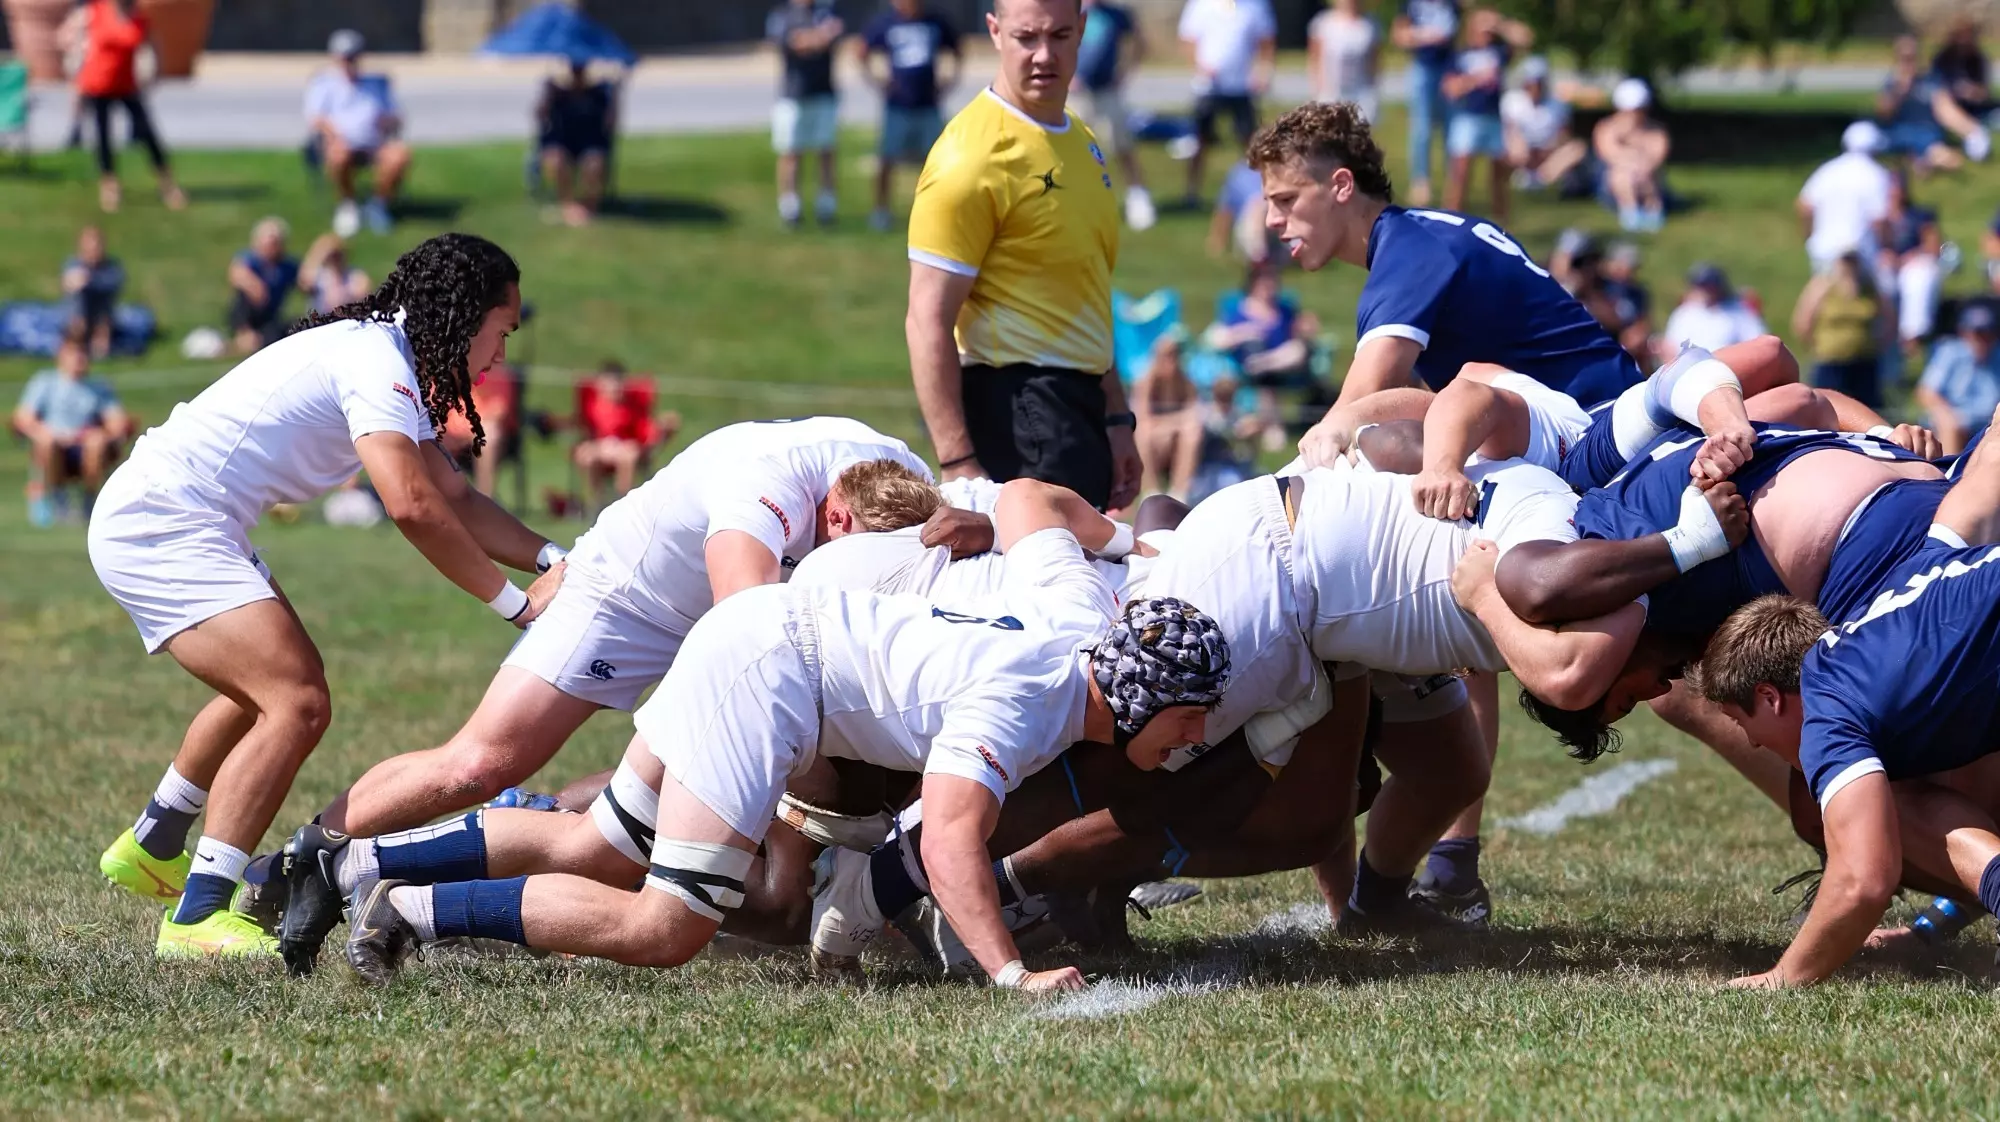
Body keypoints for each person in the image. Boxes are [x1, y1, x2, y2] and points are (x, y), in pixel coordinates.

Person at [286, 481, 1226, 991]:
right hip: (770, 673)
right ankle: (411, 910)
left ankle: (363, 866)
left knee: (600, 841)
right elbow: (945, 839)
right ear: (1149, 700)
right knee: (667, 926)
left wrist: (1117, 541)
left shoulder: (1077, 620)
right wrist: (1011, 975)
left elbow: (1028, 495)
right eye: (1193, 724)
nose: (1193, 745)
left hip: (768, 633)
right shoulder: (1031, 704)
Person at [87, 233, 566, 958]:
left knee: (266, 686)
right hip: (164, 519)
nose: (500, 353)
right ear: (467, 316)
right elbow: (409, 504)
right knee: (297, 700)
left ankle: (155, 842)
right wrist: (518, 607)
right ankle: (196, 918)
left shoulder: (385, 355)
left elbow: (452, 498)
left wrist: (556, 559)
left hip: (182, 513)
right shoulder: (377, 363)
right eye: (503, 330)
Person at [1690, 428, 2000, 987]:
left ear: (1769, 696)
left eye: (1745, 725)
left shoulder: (1830, 703)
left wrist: (1783, 977)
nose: (1757, 744)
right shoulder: (1899, 592)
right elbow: (1980, 487)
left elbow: (1863, 879)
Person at [1252, 101, 1657, 469]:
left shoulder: (1411, 251)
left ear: (1342, 185)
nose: (1271, 219)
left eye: (1286, 200)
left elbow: (1354, 407)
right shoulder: (1428, 233)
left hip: (1606, 442)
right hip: (1607, 430)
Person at [907, 0, 1141, 513]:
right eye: (1026, 37)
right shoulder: (970, 157)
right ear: (994, 32)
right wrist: (958, 462)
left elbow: (1084, 289)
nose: (1043, 55)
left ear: (1082, 30)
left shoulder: (1079, 139)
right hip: (1019, 413)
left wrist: (1117, 418)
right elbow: (926, 316)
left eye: (1059, 35)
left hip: (1080, 408)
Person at [62, 0, 184, 214]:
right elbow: (65, 34)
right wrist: (75, 51)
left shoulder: (139, 18)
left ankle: (167, 184)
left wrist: (155, 72)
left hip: (126, 85)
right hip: (96, 84)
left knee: (147, 133)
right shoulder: (95, 12)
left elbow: (153, 43)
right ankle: (110, 186)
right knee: (103, 137)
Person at [861, 0, 962, 232]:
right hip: (897, 105)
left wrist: (949, 81)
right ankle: (881, 211)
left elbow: (957, 50)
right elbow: (862, 50)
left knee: (935, 162)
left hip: (928, 104)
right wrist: (878, 81)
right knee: (887, 158)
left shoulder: (935, 21)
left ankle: (935, 211)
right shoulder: (886, 22)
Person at [14, 321, 128, 527]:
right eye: (74, 352)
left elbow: (117, 421)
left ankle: (90, 501)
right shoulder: (45, 382)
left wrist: (99, 434)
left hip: (86, 446)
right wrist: (45, 432)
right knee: (47, 441)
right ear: (62, 354)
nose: (79, 359)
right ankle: (59, 499)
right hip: (54, 445)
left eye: (83, 353)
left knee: (96, 441)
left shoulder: (99, 386)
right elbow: (24, 417)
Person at [304, 30, 410, 238]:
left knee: (399, 155)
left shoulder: (377, 84)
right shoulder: (324, 84)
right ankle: (348, 205)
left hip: (374, 143)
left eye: (353, 55)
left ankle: (378, 205)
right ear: (335, 57)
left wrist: (387, 122)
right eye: (345, 56)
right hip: (341, 143)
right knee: (338, 155)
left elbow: (396, 116)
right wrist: (335, 135)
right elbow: (316, 118)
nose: (349, 61)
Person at [1205, 261, 1320, 449]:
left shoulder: (1285, 310)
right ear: (1253, 284)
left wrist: (1306, 328)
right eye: (1264, 282)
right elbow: (1217, 337)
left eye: (1272, 281)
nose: (1269, 287)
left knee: (1295, 352)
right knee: (1264, 375)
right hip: (1244, 363)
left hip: (1278, 362)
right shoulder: (1237, 309)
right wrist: (1245, 332)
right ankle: (1270, 425)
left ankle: (1263, 365)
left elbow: (1299, 335)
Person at [1177, 0, 1276, 205]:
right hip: (1208, 86)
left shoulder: (1256, 6)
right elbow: (1188, 40)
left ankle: (1259, 189)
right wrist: (1200, 66)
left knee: (1250, 140)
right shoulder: (1200, 5)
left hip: (1241, 85)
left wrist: (1263, 72)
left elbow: (1266, 41)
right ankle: (1192, 192)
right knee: (1200, 139)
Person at [1440, 9, 1530, 222]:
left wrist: (1500, 24)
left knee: (1499, 177)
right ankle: (1451, 220)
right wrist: (1476, 79)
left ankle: (1503, 225)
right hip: (1467, 118)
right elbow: (1450, 89)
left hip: (1493, 119)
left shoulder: (1498, 53)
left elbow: (1525, 39)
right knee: (1460, 175)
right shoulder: (1460, 55)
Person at [1076, 0, 1155, 230]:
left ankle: (1138, 197)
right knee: (1073, 147)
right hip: (1075, 93)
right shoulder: (1070, 10)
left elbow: (1139, 44)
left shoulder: (1117, 15)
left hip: (1107, 91)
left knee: (1122, 146)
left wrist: (1125, 72)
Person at [768, 0, 845, 229]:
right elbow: (792, 43)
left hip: (824, 92)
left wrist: (812, 38)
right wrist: (818, 38)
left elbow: (835, 35)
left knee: (826, 150)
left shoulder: (826, 10)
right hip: (794, 94)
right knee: (791, 152)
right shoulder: (783, 14)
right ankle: (790, 207)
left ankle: (826, 206)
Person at [570, 361, 681, 504]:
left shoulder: (633, 404)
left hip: (626, 448)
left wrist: (662, 428)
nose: (613, 390)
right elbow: (578, 423)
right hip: (598, 447)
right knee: (587, 455)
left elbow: (645, 430)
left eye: (616, 385)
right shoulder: (592, 403)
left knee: (628, 455)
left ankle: (622, 502)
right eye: (608, 385)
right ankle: (598, 503)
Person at [1878, 34, 1989, 174]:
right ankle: (1927, 159)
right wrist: (1899, 91)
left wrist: (1971, 130)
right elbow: (1883, 114)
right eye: (1905, 57)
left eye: (1912, 57)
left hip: (1928, 132)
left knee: (1936, 145)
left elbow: (1946, 110)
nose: (1909, 62)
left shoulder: (1930, 80)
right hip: (1900, 133)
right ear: (1897, 58)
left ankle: (1926, 159)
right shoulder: (1891, 83)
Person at [1791, 252, 1887, 409]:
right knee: (1829, 409)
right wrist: (1819, 346)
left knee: (1868, 409)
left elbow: (1888, 317)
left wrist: (1879, 344)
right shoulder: (1823, 285)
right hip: (1831, 362)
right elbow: (1802, 322)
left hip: (1865, 362)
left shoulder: (1869, 287)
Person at [1797, 121, 1892, 275]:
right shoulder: (1878, 175)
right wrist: (1887, 246)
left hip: (1823, 249)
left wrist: (1809, 237)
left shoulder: (1828, 170)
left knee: (1826, 292)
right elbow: (1879, 220)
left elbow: (1804, 206)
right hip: (1860, 253)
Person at [1391, 0, 1459, 207]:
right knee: (1422, 129)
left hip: (1451, 69)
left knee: (1452, 130)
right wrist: (1424, 36)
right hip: (1423, 68)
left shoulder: (1451, 4)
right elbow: (1399, 36)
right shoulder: (1411, 4)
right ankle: (1421, 182)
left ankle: (1454, 185)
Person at [536, 58, 617, 227]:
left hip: (589, 142)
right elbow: (540, 117)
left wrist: (616, 97)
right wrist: (546, 95)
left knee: (594, 163)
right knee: (556, 160)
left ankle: (590, 205)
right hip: (563, 142)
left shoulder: (597, 94)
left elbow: (610, 123)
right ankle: (568, 204)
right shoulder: (558, 93)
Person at [1917, 303, 2000, 455]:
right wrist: (1946, 414)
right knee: (1950, 426)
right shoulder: (1949, 352)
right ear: (1964, 332)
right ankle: (1949, 475)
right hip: (1952, 420)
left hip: (1988, 422)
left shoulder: (1998, 355)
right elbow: (1926, 392)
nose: (1983, 339)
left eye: (1988, 333)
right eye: (1978, 332)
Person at [1132, 331, 1202, 500]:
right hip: (1154, 438)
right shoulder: (1146, 380)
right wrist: (1172, 424)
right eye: (1166, 355)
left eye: (1174, 355)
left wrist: (1170, 426)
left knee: (1192, 432)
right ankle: (1150, 491)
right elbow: (1142, 416)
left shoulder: (1184, 380)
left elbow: (1194, 413)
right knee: (1143, 432)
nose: (1170, 360)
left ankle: (1179, 491)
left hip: (1174, 436)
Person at [1593, 77, 1669, 232]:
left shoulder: (1655, 131)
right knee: (1622, 174)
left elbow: (1658, 157)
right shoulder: (1607, 128)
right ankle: (1631, 212)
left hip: (1648, 180)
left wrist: (1640, 165)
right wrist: (1635, 159)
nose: (1635, 115)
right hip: (1614, 185)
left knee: (1646, 174)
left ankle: (1652, 209)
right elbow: (1610, 154)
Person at [1501, 56, 1585, 192]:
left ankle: (1541, 178)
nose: (1534, 88)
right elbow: (1511, 132)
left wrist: (1550, 147)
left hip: (1549, 150)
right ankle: (1526, 174)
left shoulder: (1559, 104)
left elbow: (1564, 135)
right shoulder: (1512, 101)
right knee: (1516, 146)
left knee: (1577, 149)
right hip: (1524, 150)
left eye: (1538, 84)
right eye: (1531, 84)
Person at [225, 217, 301, 356]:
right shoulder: (251, 259)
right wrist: (255, 285)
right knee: (242, 296)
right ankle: (243, 334)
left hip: (271, 315)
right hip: (249, 311)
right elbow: (236, 272)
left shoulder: (287, 266)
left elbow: (306, 280)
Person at [1661, 263, 1767, 356]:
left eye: (1708, 286)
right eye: (1700, 286)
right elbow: (1670, 347)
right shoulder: (1684, 313)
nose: (1705, 291)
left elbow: (1758, 344)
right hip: (1688, 370)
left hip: (1729, 370)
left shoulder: (1739, 313)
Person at [1308, 0, 1380, 125]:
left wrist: (1373, 89)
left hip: (1360, 90)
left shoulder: (1370, 25)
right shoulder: (1323, 23)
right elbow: (1315, 58)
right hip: (1332, 90)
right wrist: (1319, 87)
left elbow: (1374, 61)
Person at [60, 225, 124, 358]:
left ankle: (100, 338)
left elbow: (113, 285)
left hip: (102, 313)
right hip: (78, 311)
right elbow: (68, 284)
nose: (94, 251)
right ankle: (76, 338)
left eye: (97, 247)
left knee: (104, 311)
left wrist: (90, 281)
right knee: (77, 300)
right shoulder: (73, 264)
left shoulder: (112, 267)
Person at [1208, 156, 1276, 263]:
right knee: (1258, 206)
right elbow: (1225, 211)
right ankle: (1259, 256)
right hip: (1248, 225)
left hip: (1275, 225)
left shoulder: (1279, 170)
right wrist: (1217, 243)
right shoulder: (1237, 173)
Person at [1932, 17, 1995, 125]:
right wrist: (1956, 91)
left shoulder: (1978, 59)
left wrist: (1974, 92)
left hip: (1975, 106)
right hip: (1950, 106)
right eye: (1961, 36)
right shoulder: (1943, 59)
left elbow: (1985, 92)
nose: (1965, 40)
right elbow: (1934, 88)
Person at [299, 233, 370, 317]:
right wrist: (319, 253)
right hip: (320, 322)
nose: (335, 259)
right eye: (332, 255)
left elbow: (365, 296)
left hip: (348, 320)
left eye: (338, 254)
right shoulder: (318, 275)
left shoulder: (355, 275)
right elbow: (304, 282)